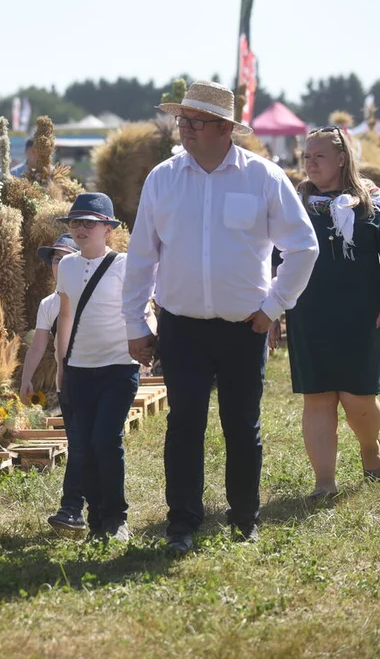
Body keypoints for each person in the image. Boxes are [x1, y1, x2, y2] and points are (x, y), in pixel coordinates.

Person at [123, 81, 319, 555]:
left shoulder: (264, 177)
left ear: (225, 128)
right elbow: (141, 257)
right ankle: (182, 523)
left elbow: (303, 248)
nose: (184, 129)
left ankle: (244, 517)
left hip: (243, 326)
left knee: (241, 423)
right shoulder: (162, 179)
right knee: (184, 424)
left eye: (195, 121)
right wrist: (135, 323)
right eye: (182, 120)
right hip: (182, 326)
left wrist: (273, 307)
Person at [270, 126, 380, 501]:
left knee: (358, 398)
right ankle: (324, 482)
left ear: (342, 158)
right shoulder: (293, 202)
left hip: (361, 314)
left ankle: (368, 445)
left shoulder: (371, 201)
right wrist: (273, 311)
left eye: (319, 156)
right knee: (318, 397)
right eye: (306, 157)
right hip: (308, 313)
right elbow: (275, 259)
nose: (310, 164)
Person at [55, 193, 142, 542]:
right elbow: (65, 315)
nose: (80, 229)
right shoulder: (67, 265)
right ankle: (96, 522)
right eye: (75, 222)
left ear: (108, 228)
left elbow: (140, 309)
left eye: (89, 223)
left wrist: (145, 345)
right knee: (86, 447)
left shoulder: (124, 264)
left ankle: (117, 518)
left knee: (107, 440)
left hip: (119, 366)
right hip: (78, 368)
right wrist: (62, 365)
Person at [18, 233, 82, 534]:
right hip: (67, 384)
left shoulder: (93, 292)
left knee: (96, 445)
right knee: (81, 444)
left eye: (64, 257)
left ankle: (80, 507)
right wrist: (26, 378)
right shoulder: (48, 304)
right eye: (55, 259)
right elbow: (39, 345)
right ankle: (76, 508)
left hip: (103, 377)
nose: (58, 264)